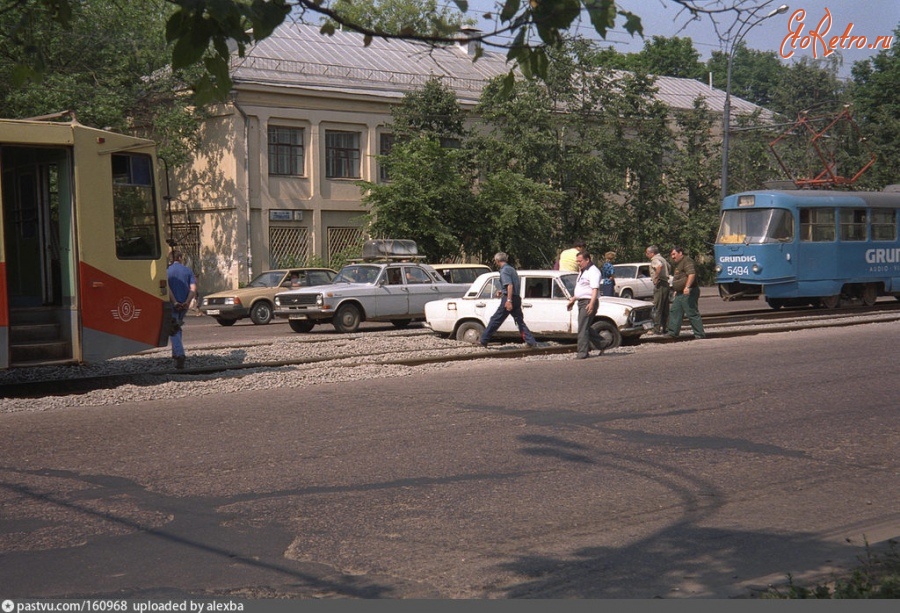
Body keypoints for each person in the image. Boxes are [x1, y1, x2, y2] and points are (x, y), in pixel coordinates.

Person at [479, 252, 538, 348]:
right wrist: (502, 291)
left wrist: (508, 300)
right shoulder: (511, 269)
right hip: (516, 298)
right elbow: (512, 285)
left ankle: (483, 341)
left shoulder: (504, 271)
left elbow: (510, 285)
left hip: (509, 299)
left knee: (495, 320)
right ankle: (531, 342)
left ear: (497, 261)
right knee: (519, 321)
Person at [566, 250, 606, 359]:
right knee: (585, 326)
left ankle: (582, 353)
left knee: (582, 328)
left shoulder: (593, 271)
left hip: (588, 302)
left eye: (580, 261)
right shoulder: (583, 271)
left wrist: (592, 303)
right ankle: (602, 343)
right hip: (581, 301)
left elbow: (594, 289)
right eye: (577, 261)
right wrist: (573, 299)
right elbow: (582, 289)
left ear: (587, 260)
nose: (578, 263)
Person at [667, 246, 706, 339]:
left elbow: (691, 274)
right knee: (675, 311)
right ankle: (672, 333)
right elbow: (680, 277)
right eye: (671, 255)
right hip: (680, 293)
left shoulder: (687, 261)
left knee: (691, 312)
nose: (672, 257)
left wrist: (687, 287)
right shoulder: (678, 264)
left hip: (689, 291)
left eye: (674, 254)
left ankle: (699, 335)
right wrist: (677, 290)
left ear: (680, 253)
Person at [167, 250, 197, 369]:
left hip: (172, 304)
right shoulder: (188, 271)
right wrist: (186, 302)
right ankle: (175, 354)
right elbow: (193, 289)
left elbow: (167, 288)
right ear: (180, 258)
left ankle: (179, 355)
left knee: (173, 328)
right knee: (177, 327)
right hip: (184, 305)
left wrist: (175, 302)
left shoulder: (166, 272)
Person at [646, 245, 671, 335]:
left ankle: (656, 329)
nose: (647, 255)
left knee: (657, 307)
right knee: (665, 308)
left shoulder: (655, 260)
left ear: (652, 253)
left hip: (660, 284)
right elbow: (669, 267)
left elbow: (659, 266)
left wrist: (656, 277)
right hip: (665, 283)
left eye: (648, 253)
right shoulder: (663, 259)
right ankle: (666, 328)